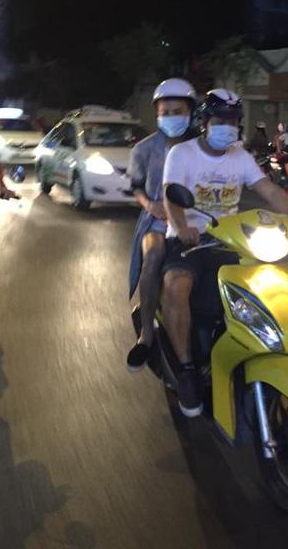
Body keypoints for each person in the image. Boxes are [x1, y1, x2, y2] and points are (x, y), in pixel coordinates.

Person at [162, 89, 288, 417]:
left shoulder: (240, 157)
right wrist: (182, 226)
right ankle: (186, 369)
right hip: (190, 242)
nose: (227, 127)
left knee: (267, 287)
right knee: (177, 285)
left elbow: (269, 190)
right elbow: (171, 196)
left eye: (232, 121)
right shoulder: (182, 154)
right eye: (220, 120)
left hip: (232, 241)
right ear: (204, 122)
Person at [126, 78, 197, 372]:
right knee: (154, 254)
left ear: (190, 113)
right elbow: (136, 186)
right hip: (157, 219)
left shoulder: (201, 147)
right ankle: (146, 334)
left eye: (177, 112)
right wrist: (150, 205)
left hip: (197, 219)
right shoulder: (143, 149)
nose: (171, 117)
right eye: (165, 112)